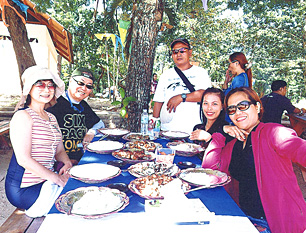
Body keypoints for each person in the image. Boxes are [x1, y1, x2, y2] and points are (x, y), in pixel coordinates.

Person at [202, 87, 306, 233]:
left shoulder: (272, 133)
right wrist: (220, 132)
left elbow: (300, 150)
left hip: (273, 223)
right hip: (242, 218)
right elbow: (210, 172)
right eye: (232, 110)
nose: (238, 112)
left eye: (243, 106)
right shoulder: (234, 144)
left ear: (257, 107)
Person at [5, 66, 72, 217]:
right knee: (70, 204)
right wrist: (57, 179)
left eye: (50, 85)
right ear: (29, 89)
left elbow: (59, 150)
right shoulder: (23, 117)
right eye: (40, 84)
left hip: (47, 180)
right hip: (24, 188)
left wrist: (67, 162)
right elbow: (23, 159)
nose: (46, 89)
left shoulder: (51, 117)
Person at [153, 38, 212, 134]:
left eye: (182, 51)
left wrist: (181, 97)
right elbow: (158, 101)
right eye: (175, 52)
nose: (178, 54)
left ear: (190, 53)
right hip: (167, 131)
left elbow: (206, 96)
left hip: (192, 131)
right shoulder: (166, 75)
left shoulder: (201, 72)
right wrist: (154, 124)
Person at [47, 67, 105, 165]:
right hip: (58, 161)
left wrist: (91, 132)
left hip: (81, 157)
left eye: (89, 86)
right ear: (70, 81)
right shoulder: (54, 103)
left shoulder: (83, 105)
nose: (84, 88)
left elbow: (100, 124)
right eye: (80, 83)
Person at [190, 87, 247, 158]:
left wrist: (209, 138)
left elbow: (223, 161)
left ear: (222, 106)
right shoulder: (198, 128)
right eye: (205, 103)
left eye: (214, 104)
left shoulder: (227, 132)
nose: (209, 108)